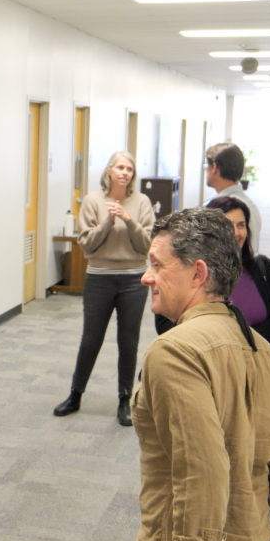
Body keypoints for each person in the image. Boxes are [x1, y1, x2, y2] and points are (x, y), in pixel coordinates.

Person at [108, 208, 270, 541]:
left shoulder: (174, 352)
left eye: (157, 265)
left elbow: (201, 468)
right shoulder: (265, 353)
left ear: (198, 273)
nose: (146, 277)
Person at [53, 151, 153, 424]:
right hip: (99, 278)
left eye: (129, 169)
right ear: (109, 171)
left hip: (133, 279)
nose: (124, 173)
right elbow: (87, 244)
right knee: (91, 339)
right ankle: (75, 395)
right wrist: (109, 221)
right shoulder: (92, 201)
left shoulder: (142, 202)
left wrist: (128, 220)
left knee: (128, 341)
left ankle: (124, 399)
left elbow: (146, 245)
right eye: (120, 167)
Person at [155, 196, 270, 373]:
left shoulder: (263, 268)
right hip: (205, 368)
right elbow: (164, 323)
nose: (236, 232)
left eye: (241, 225)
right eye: (227, 225)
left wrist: (244, 340)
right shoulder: (189, 271)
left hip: (260, 368)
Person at [204, 142, 260, 253]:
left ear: (214, 167)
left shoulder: (223, 208)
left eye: (206, 166)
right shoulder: (249, 204)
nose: (206, 170)